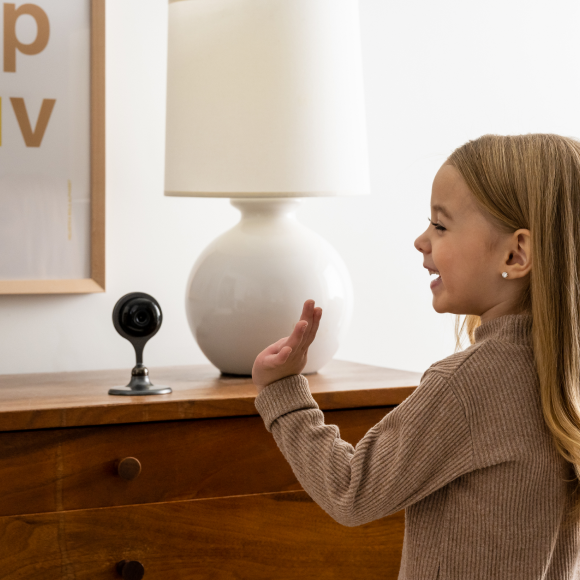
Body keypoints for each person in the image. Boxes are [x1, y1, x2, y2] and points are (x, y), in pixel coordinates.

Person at [252, 133, 580, 579]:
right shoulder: (567, 375)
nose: (420, 241)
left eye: (441, 226)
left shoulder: (468, 383)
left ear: (516, 253)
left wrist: (284, 393)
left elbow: (352, 491)